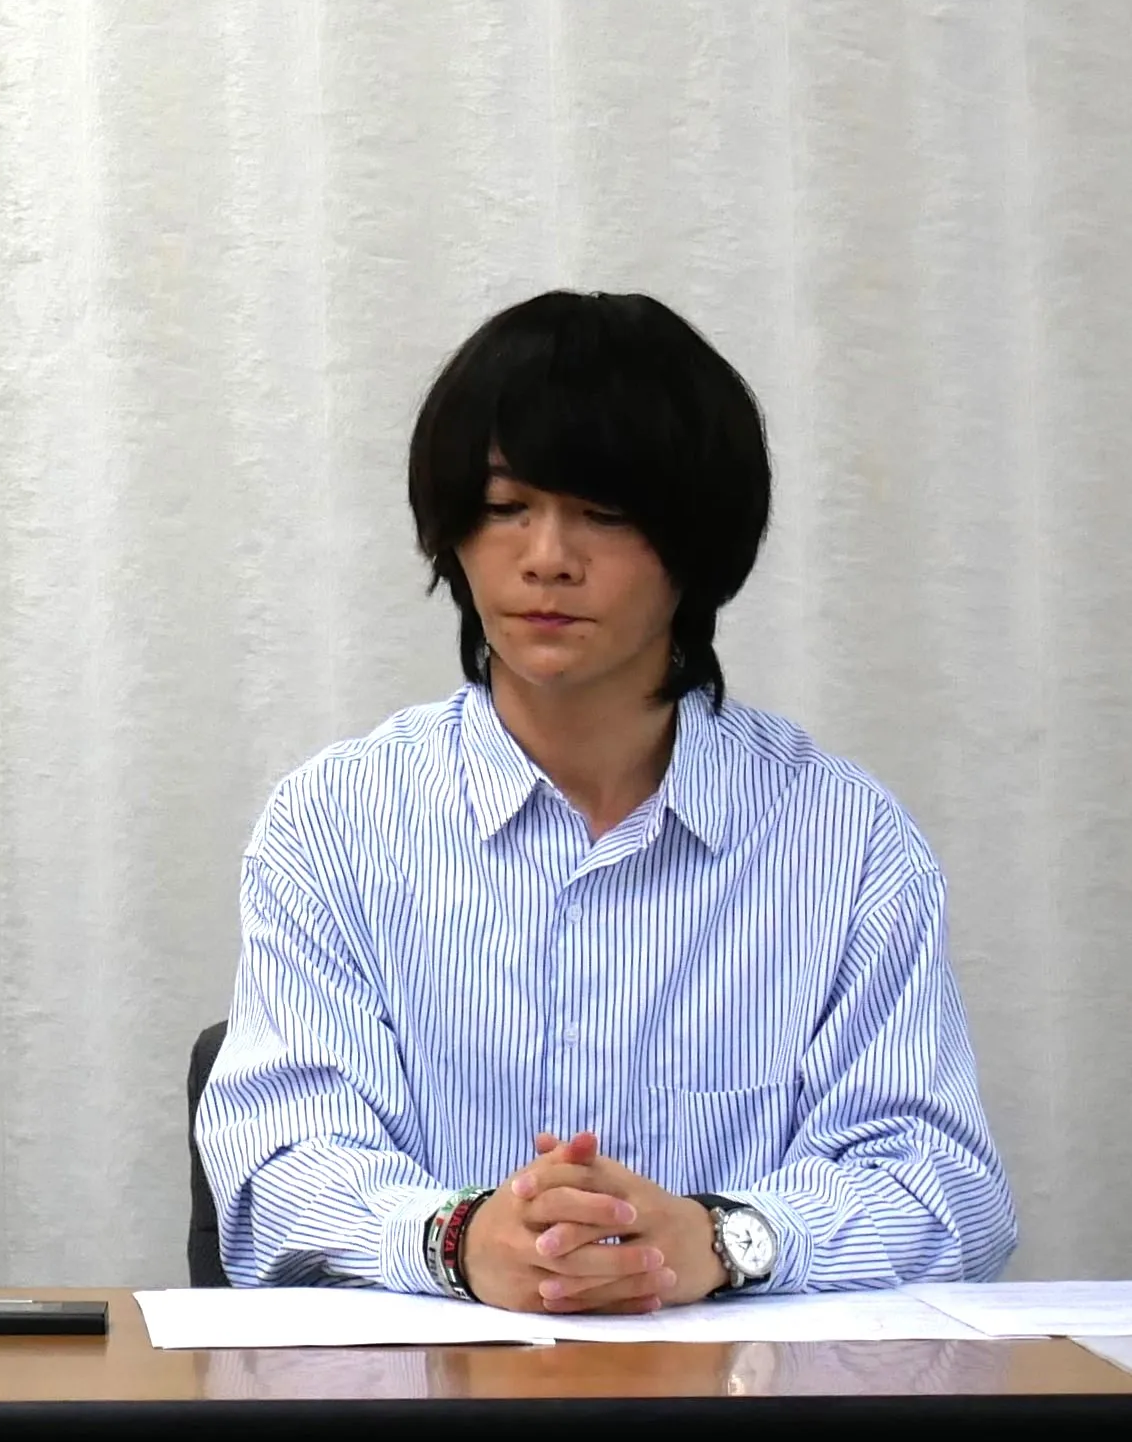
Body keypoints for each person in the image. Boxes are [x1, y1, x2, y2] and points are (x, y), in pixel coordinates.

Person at [198, 292, 1013, 1307]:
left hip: (747, 1399)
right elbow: (276, 1171)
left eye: (605, 513)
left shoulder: (844, 840)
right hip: (427, 1401)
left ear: (699, 541)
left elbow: (943, 1186)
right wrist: (463, 1239)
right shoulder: (336, 823)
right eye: (505, 506)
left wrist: (718, 1237)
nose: (547, 555)